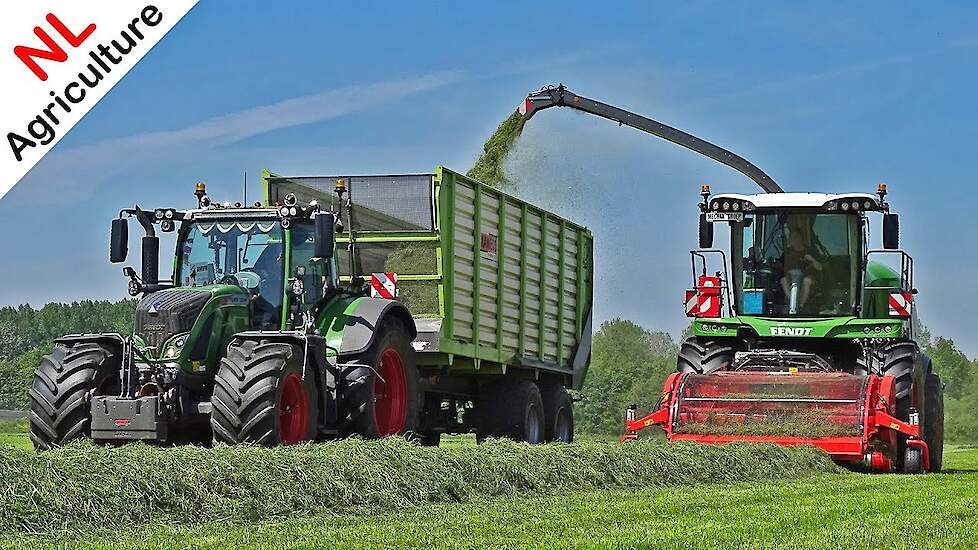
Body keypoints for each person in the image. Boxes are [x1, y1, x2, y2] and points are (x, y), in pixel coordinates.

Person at [780, 220, 823, 313]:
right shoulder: (787, 253)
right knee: (783, 280)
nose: (794, 240)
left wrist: (812, 259)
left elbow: (820, 267)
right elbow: (779, 268)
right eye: (792, 238)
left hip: (809, 281)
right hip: (791, 280)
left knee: (807, 281)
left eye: (796, 237)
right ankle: (793, 304)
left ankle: (801, 306)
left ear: (801, 238)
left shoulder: (811, 251)